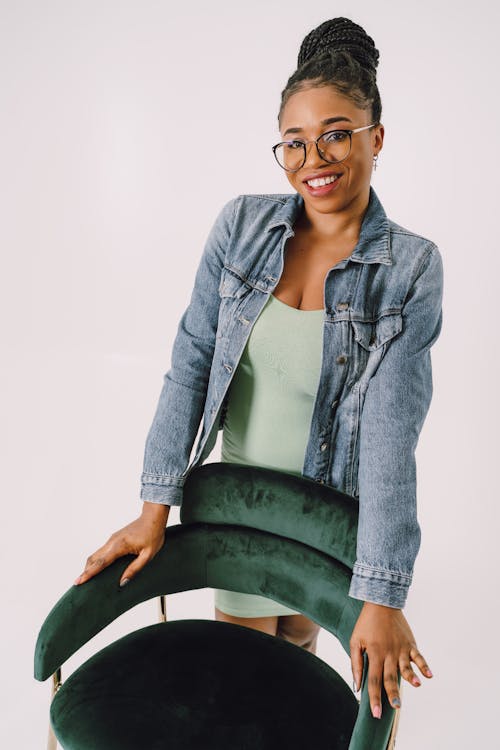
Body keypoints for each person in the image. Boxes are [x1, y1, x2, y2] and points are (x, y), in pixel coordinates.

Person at [74, 17, 442, 721]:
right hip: (238, 512)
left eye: (336, 132)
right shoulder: (241, 226)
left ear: (377, 137)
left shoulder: (411, 269)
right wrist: (155, 511)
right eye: (295, 142)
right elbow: (189, 365)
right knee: (236, 691)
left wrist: (382, 594)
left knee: (293, 669)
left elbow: (394, 437)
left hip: (329, 521)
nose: (315, 158)